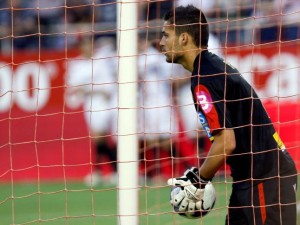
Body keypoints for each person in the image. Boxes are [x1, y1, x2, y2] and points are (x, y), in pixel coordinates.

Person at [160, 5, 298, 225]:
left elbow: (226, 142)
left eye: (166, 35)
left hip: (265, 178)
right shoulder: (210, 67)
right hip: (253, 176)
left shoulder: (205, 78)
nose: (161, 42)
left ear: (184, 38)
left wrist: (198, 180)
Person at [65, 35, 118, 186]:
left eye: (90, 45)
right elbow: (73, 87)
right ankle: (109, 171)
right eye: (84, 45)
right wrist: (93, 88)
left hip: (107, 103)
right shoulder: (77, 65)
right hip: (91, 104)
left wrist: (89, 88)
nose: (87, 48)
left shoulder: (102, 61)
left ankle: (101, 171)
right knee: (98, 138)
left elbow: (109, 86)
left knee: (103, 136)